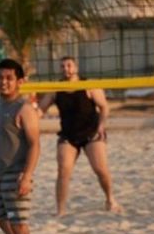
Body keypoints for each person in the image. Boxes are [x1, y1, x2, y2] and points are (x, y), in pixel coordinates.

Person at [38, 56, 121, 216]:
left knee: (100, 169)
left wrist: (101, 125)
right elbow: (40, 111)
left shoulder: (88, 85)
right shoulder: (55, 89)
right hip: (68, 135)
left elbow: (104, 107)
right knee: (63, 170)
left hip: (91, 132)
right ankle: (61, 210)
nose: (66, 69)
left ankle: (110, 199)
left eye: (69, 65)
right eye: (62, 66)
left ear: (75, 67)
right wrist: (28, 117)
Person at [0, 59, 40, 234]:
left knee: (19, 225)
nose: (4, 82)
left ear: (20, 81)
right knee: (3, 222)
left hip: (17, 173)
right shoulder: (1, 106)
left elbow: (35, 145)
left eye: (9, 78)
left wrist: (27, 176)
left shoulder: (24, 108)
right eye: (0, 77)